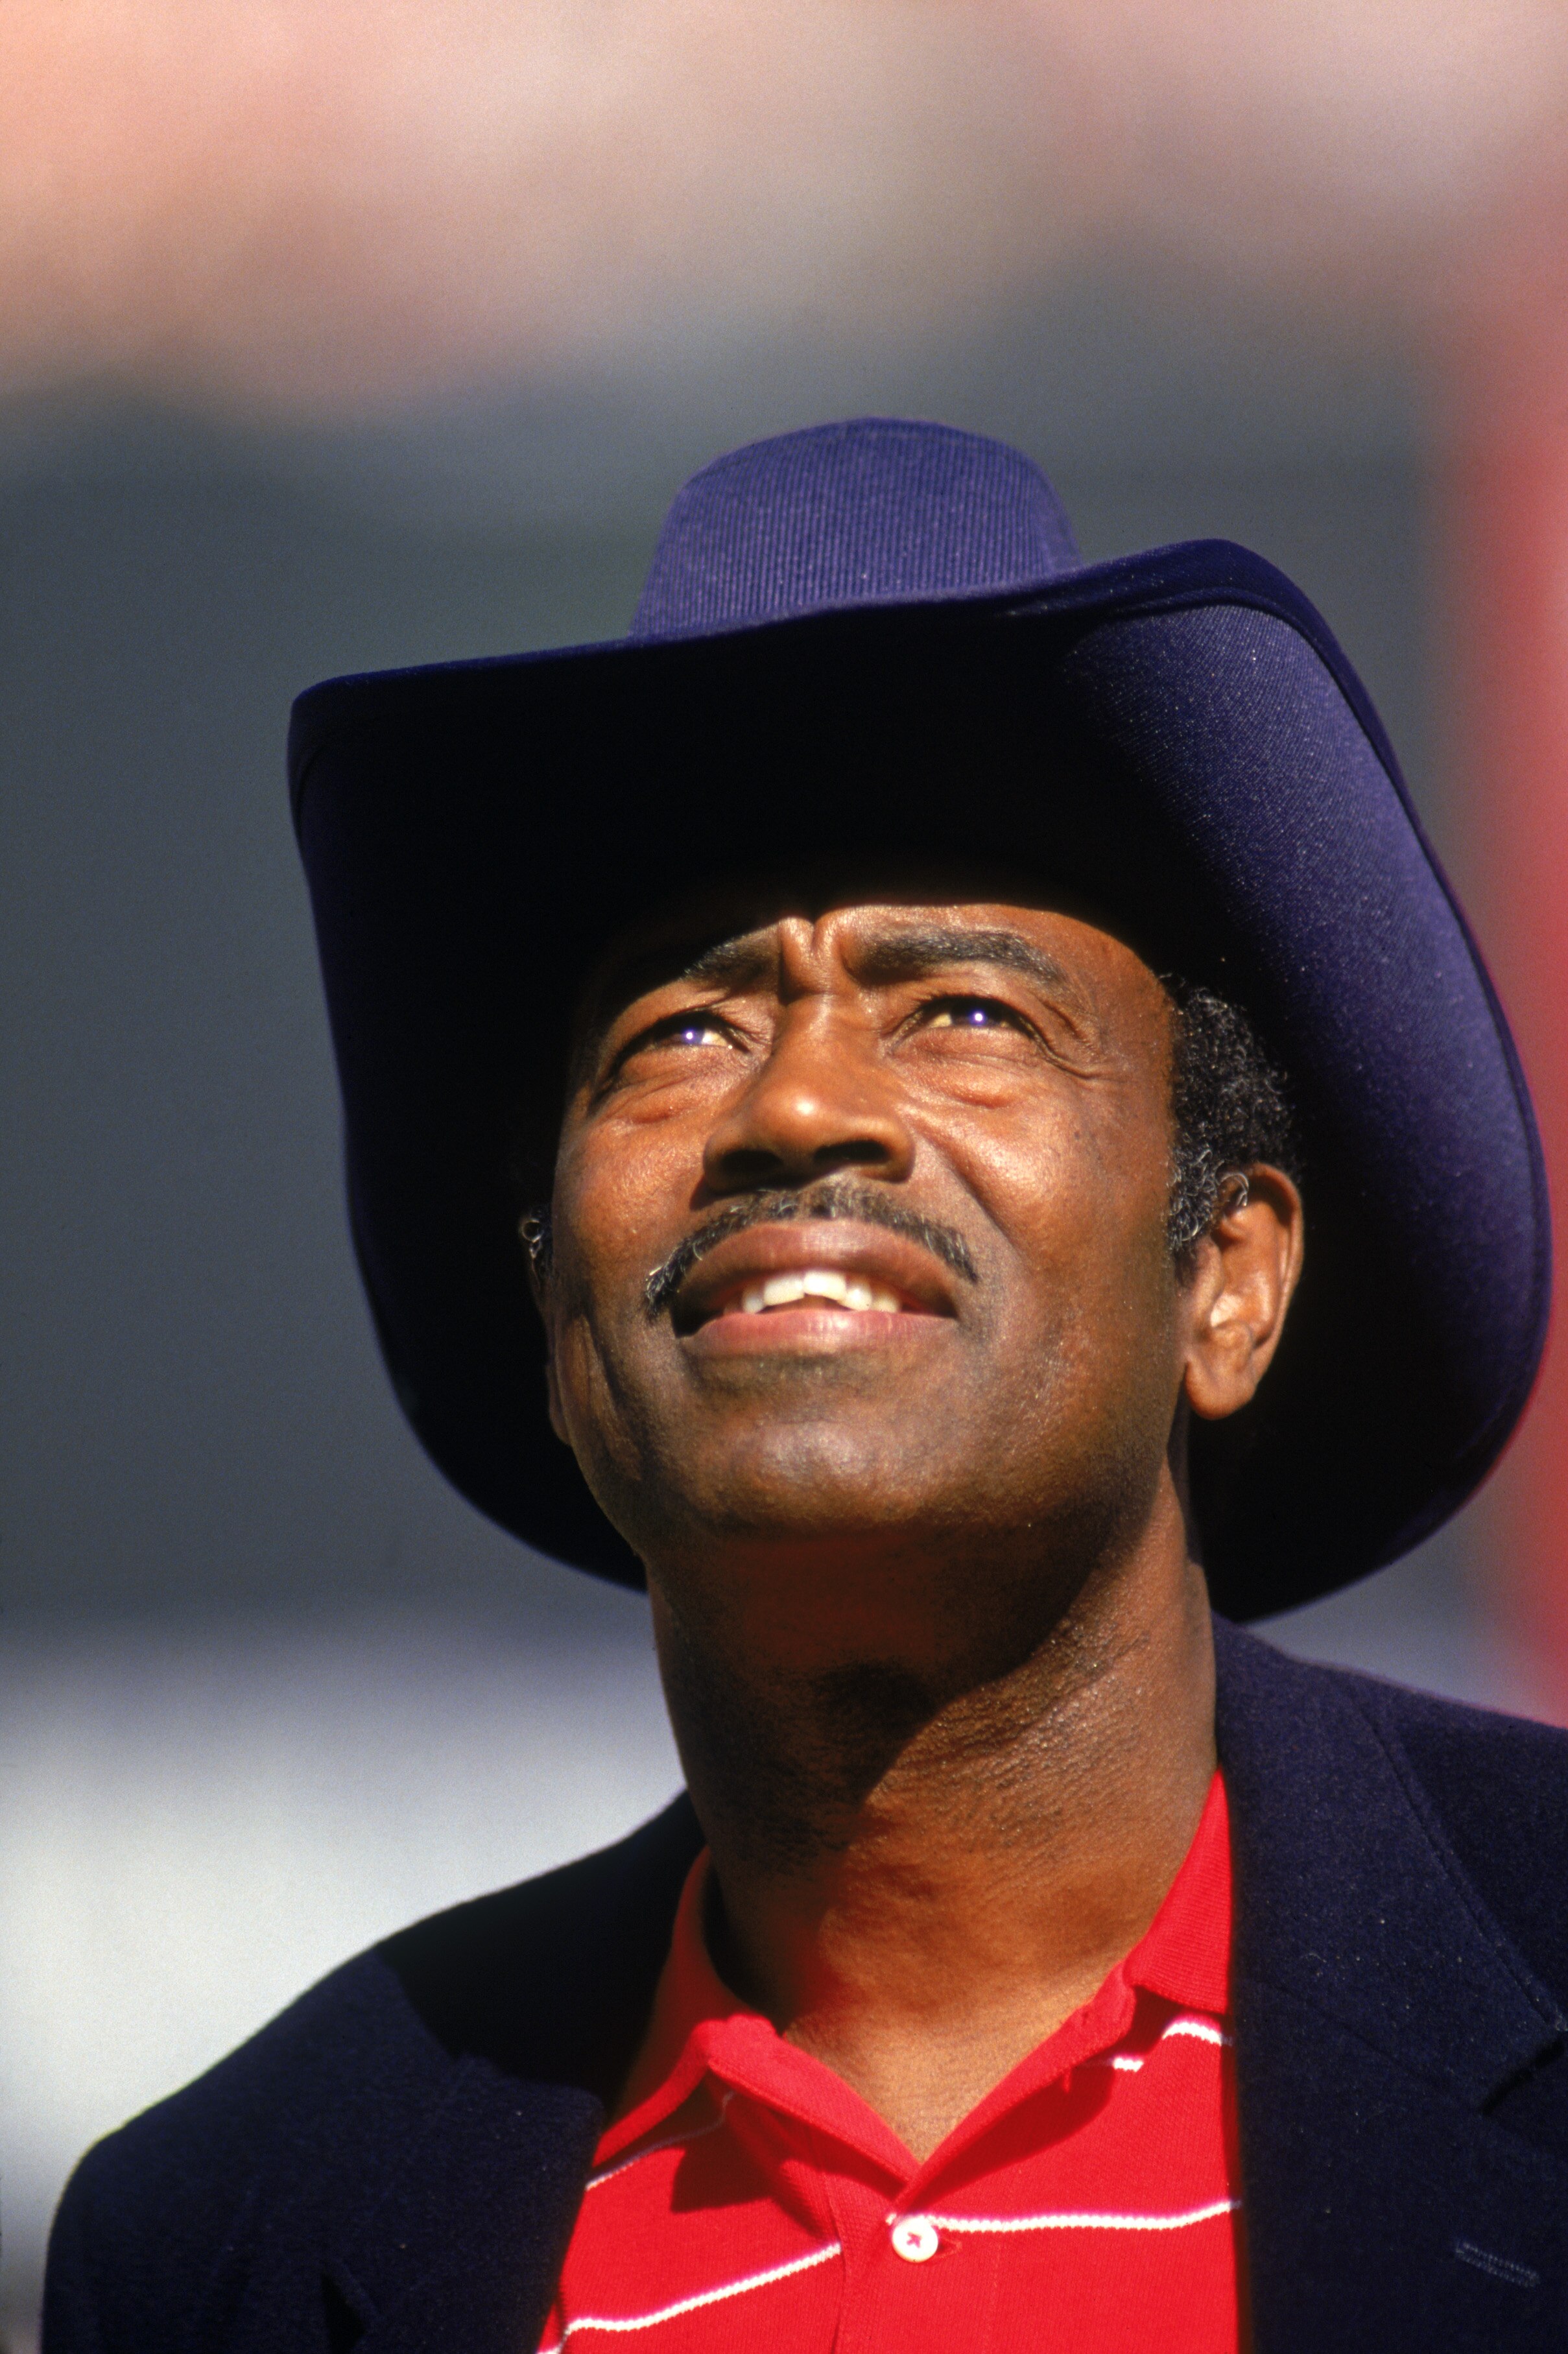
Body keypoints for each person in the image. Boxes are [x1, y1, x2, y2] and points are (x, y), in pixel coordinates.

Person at [42, 420, 1568, 2354]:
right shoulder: (227, 2243)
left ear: (1230, 1278)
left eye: (963, 1013)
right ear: (548, 1317)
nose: (801, 1106)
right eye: (682, 1026)